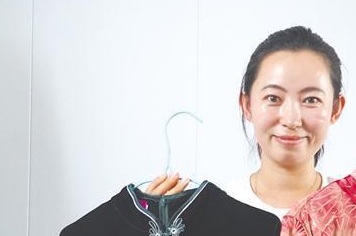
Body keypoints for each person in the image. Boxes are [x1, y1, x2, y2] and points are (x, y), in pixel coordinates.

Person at [146, 25, 345, 216]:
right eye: (273, 98)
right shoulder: (212, 211)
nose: (291, 120)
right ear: (247, 105)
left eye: (311, 100)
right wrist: (151, 228)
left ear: (335, 109)